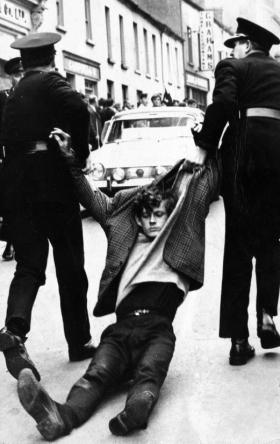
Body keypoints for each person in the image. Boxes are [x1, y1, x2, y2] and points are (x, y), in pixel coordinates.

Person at [16, 127, 219, 441]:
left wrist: (210, 144)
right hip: (120, 330)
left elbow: (206, 183)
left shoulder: (180, 232)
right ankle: (58, 416)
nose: (153, 221)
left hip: (158, 329)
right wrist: (71, 163)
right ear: (137, 218)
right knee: (97, 375)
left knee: (149, 374)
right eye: (147, 216)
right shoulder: (123, 229)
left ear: (169, 216)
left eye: (159, 216)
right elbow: (94, 199)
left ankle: (136, 410)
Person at [0, 32, 96, 382]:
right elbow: (80, 108)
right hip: (51, 182)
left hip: (16, 185)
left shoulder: (12, 95)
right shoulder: (52, 83)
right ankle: (79, 341)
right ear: (52, 57)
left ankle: (15, 330)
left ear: (24, 63)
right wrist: (80, 152)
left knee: (28, 265)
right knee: (70, 264)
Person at [192, 17, 280, 365]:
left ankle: (239, 339)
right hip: (278, 160)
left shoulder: (232, 67)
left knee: (239, 245)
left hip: (242, 158)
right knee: (273, 240)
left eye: (236, 43)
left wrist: (205, 145)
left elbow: (224, 105)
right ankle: (268, 316)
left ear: (245, 44)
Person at [0, 57, 24, 261]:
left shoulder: (34, 95)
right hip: (8, 160)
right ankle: (11, 241)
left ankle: (16, 242)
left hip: (29, 160)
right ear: (10, 78)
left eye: (23, 74)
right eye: (17, 75)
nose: (21, 78)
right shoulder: (3, 98)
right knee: (11, 204)